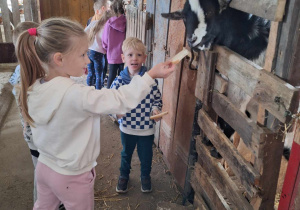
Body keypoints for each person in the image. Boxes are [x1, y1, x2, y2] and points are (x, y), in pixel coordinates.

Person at [15, 17, 175, 209]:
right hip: (72, 177)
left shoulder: (34, 86)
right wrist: (150, 76)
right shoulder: (76, 94)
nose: (88, 59)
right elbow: (120, 100)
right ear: (59, 59)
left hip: (44, 167)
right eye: (83, 54)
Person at [110, 37, 162, 193]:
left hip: (146, 128)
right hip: (127, 127)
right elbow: (111, 101)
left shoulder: (150, 81)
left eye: (139, 55)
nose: (135, 58)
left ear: (144, 58)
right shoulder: (119, 82)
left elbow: (157, 99)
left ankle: (145, 176)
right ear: (123, 58)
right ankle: (124, 175)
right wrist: (116, 113)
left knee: (146, 156)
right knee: (126, 154)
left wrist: (156, 109)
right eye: (130, 54)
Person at [9, 21, 40, 204]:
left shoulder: (28, 68)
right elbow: (24, 105)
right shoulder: (26, 73)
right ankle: (41, 203)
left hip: (34, 132)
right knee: (42, 173)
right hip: (35, 134)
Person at [102, 0, 126, 88]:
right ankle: (120, 91)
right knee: (121, 75)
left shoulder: (109, 23)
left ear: (112, 10)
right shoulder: (126, 21)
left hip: (112, 53)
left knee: (111, 75)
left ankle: (109, 92)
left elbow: (105, 39)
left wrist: (105, 47)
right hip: (123, 53)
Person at [85, 9, 111, 89]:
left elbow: (84, 32)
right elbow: (106, 41)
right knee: (99, 75)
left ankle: (88, 88)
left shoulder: (93, 23)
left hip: (89, 51)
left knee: (91, 72)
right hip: (99, 53)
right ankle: (98, 91)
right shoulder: (106, 28)